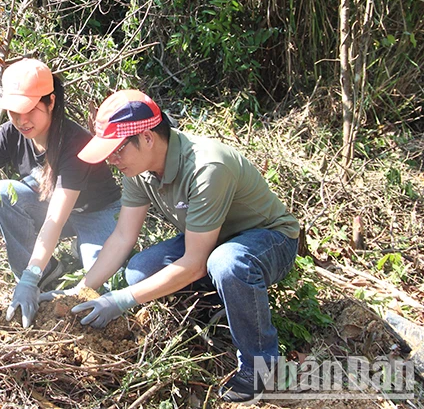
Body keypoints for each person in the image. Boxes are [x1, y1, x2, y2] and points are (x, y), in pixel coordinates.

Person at [44, 89, 299, 402]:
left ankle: (262, 368)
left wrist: (121, 301)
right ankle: (222, 309)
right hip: (211, 239)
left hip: (269, 240)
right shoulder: (137, 170)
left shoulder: (206, 167)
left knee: (227, 263)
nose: (113, 160)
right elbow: (123, 236)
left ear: (148, 138)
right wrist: (82, 289)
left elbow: (194, 262)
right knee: (138, 273)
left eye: (118, 150)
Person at [0, 59, 121, 328]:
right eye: (13, 112)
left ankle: (46, 268)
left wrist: (29, 277)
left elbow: (56, 217)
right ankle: (45, 270)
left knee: (105, 281)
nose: (21, 120)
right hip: (48, 203)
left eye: (29, 110)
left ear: (51, 102)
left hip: (95, 212)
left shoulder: (74, 142)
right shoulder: (10, 134)